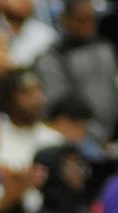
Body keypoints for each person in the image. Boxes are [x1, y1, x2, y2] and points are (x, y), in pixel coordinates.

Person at [35, 0, 118, 144]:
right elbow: (59, 104)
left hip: (113, 134)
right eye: (82, 20)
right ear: (65, 20)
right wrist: (94, 134)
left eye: (92, 19)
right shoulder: (53, 57)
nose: (88, 26)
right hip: (80, 137)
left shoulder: (105, 47)